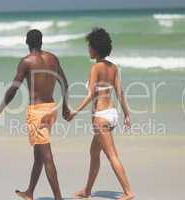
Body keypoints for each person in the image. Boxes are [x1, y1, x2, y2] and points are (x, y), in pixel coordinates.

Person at [0, 29, 69, 200]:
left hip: (38, 112)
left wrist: (1, 107)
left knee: (46, 155)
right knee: (39, 155)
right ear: (41, 42)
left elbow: (14, 88)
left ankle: (59, 197)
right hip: (51, 108)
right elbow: (64, 82)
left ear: (27, 42)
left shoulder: (27, 62)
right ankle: (30, 192)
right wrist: (65, 106)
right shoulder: (52, 59)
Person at [66, 28, 135, 200]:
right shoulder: (113, 67)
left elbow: (90, 95)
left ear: (96, 49)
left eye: (89, 46)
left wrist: (74, 111)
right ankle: (87, 190)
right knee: (94, 152)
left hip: (101, 117)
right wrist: (127, 115)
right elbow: (119, 93)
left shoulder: (95, 67)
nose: (88, 49)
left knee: (112, 155)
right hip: (111, 114)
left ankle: (128, 192)